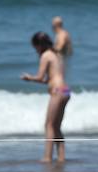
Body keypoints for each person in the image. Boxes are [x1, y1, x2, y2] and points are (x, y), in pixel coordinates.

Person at [21, 32, 70, 163]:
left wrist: (29, 78)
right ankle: (61, 158)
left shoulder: (46, 55)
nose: (36, 50)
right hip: (65, 90)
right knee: (56, 126)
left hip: (57, 91)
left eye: (35, 47)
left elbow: (40, 77)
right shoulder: (57, 55)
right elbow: (50, 79)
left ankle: (47, 157)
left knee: (49, 125)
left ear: (39, 45)